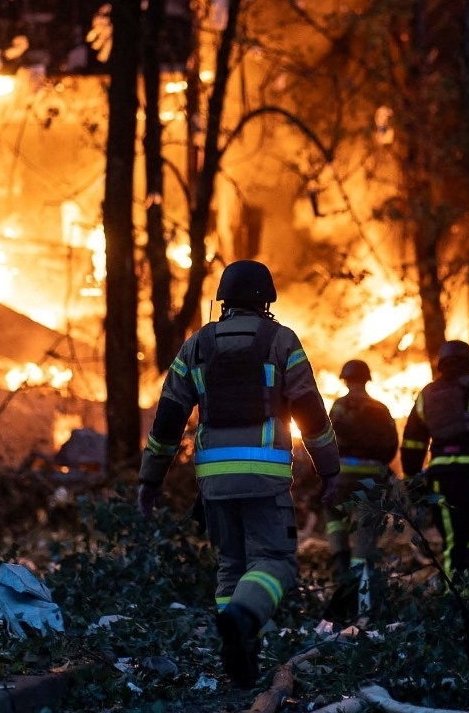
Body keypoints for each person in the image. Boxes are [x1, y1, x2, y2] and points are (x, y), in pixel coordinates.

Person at [136, 259, 341, 688]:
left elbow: (168, 420)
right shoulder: (282, 342)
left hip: (214, 479)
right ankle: (243, 621)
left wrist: (150, 479)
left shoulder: (197, 346)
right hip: (264, 476)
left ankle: (240, 659)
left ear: (223, 301)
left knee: (231, 566)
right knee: (276, 562)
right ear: (267, 301)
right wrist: (330, 470)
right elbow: (310, 412)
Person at [400, 339, 469, 585]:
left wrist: (413, 480)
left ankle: (454, 600)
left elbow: (413, 442)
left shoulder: (427, 395)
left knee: (453, 538)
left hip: (442, 476)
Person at [321, 359, 399, 624]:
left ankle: (342, 578)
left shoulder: (339, 407)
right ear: (367, 379)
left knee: (336, 526)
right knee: (365, 543)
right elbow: (391, 446)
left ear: (344, 380)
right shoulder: (381, 409)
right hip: (372, 482)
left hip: (340, 481)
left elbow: (326, 440)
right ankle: (362, 606)